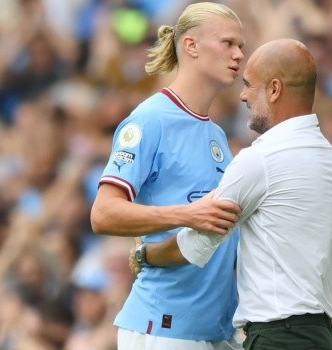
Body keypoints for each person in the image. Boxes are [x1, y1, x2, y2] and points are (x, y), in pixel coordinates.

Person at [135, 38, 332, 350]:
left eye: (249, 85)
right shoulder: (328, 156)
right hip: (321, 336)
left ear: (274, 90)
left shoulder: (261, 158)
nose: (243, 95)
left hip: (280, 337)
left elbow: (196, 246)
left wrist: (143, 254)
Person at [89, 2, 245, 350]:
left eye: (241, 47)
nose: (238, 55)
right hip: (164, 327)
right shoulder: (150, 120)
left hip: (214, 330)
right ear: (191, 45)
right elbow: (103, 214)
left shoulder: (217, 135)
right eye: (228, 43)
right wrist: (187, 215)